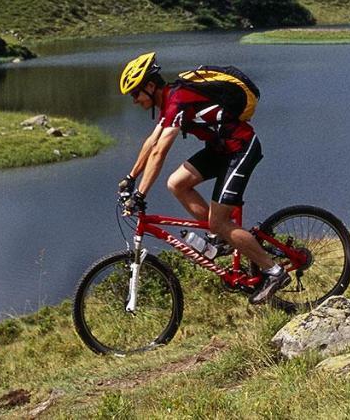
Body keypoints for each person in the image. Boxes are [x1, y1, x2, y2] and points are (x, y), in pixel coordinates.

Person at [116, 51, 288, 305]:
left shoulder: (178, 100)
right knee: (177, 183)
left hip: (240, 149)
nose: (134, 101)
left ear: (151, 86)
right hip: (220, 150)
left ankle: (274, 271)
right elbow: (151, 143)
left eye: (135, 93)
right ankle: (223, 238)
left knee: (219, 222)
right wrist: (130, 178)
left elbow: (160, 152)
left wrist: (140, 195)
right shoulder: (169, 102)